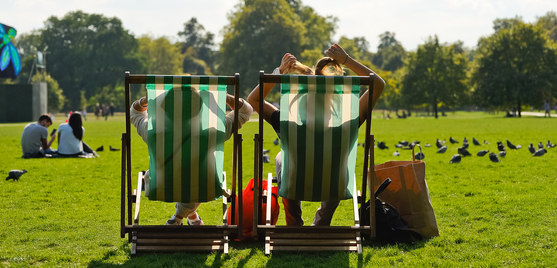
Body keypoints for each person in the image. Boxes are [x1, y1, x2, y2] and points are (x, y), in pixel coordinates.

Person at [247, 44, 385, 226]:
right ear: (332, 99)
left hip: (295, 184)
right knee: (336, 160)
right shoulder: (348, 122)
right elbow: (378, 84)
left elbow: (253, 100)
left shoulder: (286, 122)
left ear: (301, 99)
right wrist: (346, 60)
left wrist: (279, 72)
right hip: (334, 186)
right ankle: (322, 222)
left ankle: (294, 221)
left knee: (282, 157)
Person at [130, 90, 253, 226]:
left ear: (164, 107)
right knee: (195, 175)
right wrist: (224, 96)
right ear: (198, 109)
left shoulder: (152, 130)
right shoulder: (210, 132)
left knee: (183, 175)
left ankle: (181, 217)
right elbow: (245, 111)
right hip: (205, 187)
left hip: (160, 186)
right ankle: (183, 216)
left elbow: (135, 113)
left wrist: (145, 100)